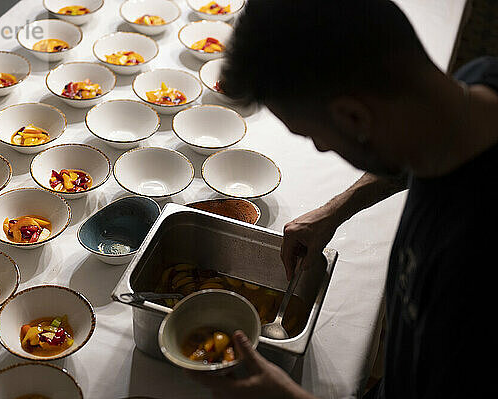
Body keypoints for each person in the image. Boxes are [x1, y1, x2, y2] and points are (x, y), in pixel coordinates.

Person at [190, 0, 498, 398]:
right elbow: (422, 151)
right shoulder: (475, 89)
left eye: (311, 135)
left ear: (354, 117)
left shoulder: (472, 270)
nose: (320, 148)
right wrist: (339, 207)